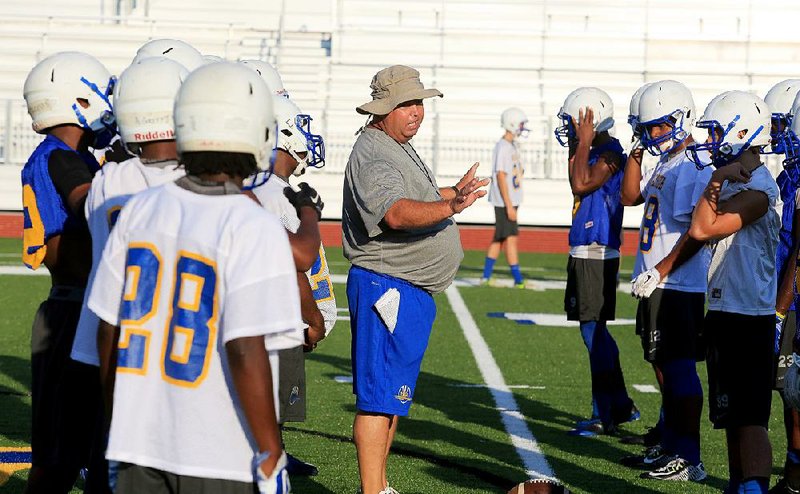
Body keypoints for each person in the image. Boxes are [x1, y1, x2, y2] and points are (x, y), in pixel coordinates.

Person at [91, 62, 299, 492]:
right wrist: (271, 450)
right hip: (218, 450)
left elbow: (108, 329)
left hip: (138, 442)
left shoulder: (141, 208)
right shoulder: (252, 224)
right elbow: (245, 348)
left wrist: (118, 417)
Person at [342, 64, 488, 494]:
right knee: (376, 400)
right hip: (387, 285)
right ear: (382, 110)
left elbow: (414, 197)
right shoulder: (375, 151)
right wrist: (451, 207)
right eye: (405, 104)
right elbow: (396, 213)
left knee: (391, 399)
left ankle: (380, 484)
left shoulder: (394, 145)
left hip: (405, 287)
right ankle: (372, 489)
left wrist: (448, 194)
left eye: (419, 102)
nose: (416, 112)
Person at [21, 51, 115, 494]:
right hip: (73, 309)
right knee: (60, 457)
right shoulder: (61, 160)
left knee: (99, 451)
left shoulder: (67, 157)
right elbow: (70, 241)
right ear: (79, 99)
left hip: (75, 308)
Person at [686, 90, 778, 494]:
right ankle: (738, 486)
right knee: (729, 416)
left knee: (750, 419)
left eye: (719, 131)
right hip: (724, 311)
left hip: (749, 317)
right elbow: (701, 222)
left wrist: (718, 178)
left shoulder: (760, 190)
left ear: (742, 131)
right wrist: (718, 179)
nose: (711, 140)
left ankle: (754, 489)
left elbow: (702, 229)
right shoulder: (733, 183)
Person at [622, 80, 711, 481]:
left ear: (682, 117)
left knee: (678, 370)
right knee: (662, 368)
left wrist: (661, 270)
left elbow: (698, 231)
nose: (654, 134)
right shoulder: (667, 160)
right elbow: (629, 196)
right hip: (658, 283)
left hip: (678, 285)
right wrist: (637, 150)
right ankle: (671, 441)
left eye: (660, 126)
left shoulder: (692, 165)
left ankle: (689, 457)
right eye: (648, 127)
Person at [250, 95, 335, 477]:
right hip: (279, 318)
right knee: (270, 397)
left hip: (276, 317)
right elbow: (292, 264)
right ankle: (267, 458)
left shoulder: (268, 188)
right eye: (298, 126)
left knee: (277, 399)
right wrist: (312, 317)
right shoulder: (273, 192)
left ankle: (276, 453)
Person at [553, 86, 638, 438]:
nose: (570, 129)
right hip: (586, 249)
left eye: (576, 122)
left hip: (597, 250)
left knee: (594, 333)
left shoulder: (610, 150)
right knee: (594, 332)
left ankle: (606, 411)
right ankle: (618, 405)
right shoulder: (594, 148)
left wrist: (584, 140)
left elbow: (581, 183)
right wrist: (580, 144)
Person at [765, 82, 800, 494]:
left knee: (793, 393)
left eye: (783, 124)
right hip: (786, 295)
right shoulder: (788, 172)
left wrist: (778, 308)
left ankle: (793, 479)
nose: (779, 134)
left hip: (792, 301)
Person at [481, 107, 528, 288]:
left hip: (510, 200)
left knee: (500, 238)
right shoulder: (502, 147)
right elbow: (500, 175)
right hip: (504, 201)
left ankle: (485, 277)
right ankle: (518, 278)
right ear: (512, 123)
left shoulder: (512, 145)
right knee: (510, 238)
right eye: (521, 124)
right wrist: (508, 205)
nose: (522, 128)